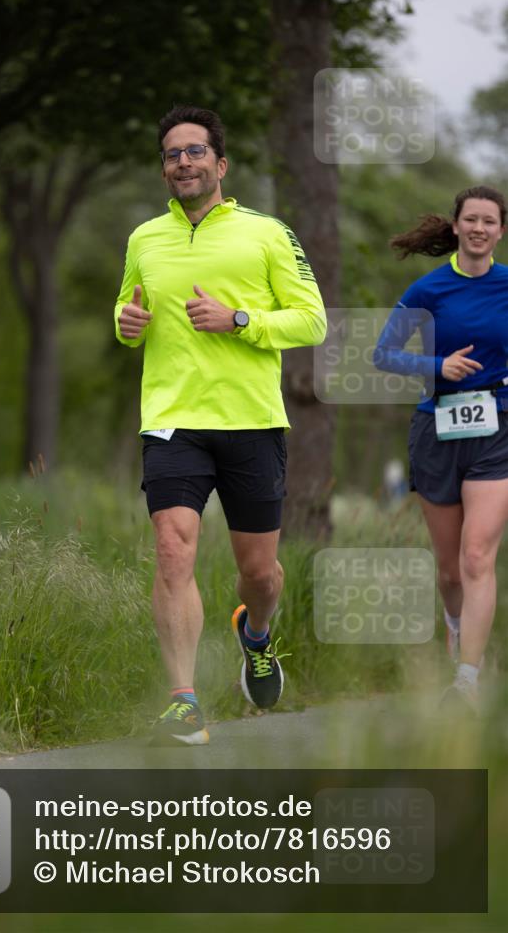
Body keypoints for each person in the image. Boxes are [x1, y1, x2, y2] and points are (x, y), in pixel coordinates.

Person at [114, 105, 326, 745]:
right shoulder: (144, 238)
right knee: (173, 547)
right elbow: (129, 311)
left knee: (259, 573)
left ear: (221, 163)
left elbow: (311, 321)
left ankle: (255, 635)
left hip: (251, 423)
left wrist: (240, 320)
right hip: (174, 419)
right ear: (164, 168)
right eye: (173, 154)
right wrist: (125, 327)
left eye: (195, 151)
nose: (184, 162)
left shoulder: (268, 233)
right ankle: (183, 698)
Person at [374, 185, 508, 714]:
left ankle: (467, 682)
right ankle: (455, 625)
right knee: (451, 570)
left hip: (498, 426)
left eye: (489, 221)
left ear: (500, 230)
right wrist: (437, 368)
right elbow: (383, 355)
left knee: (478, 556)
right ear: (455, 226)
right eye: (470, 219)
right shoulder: (428, 290)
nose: (479, 228)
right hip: (436, 429)